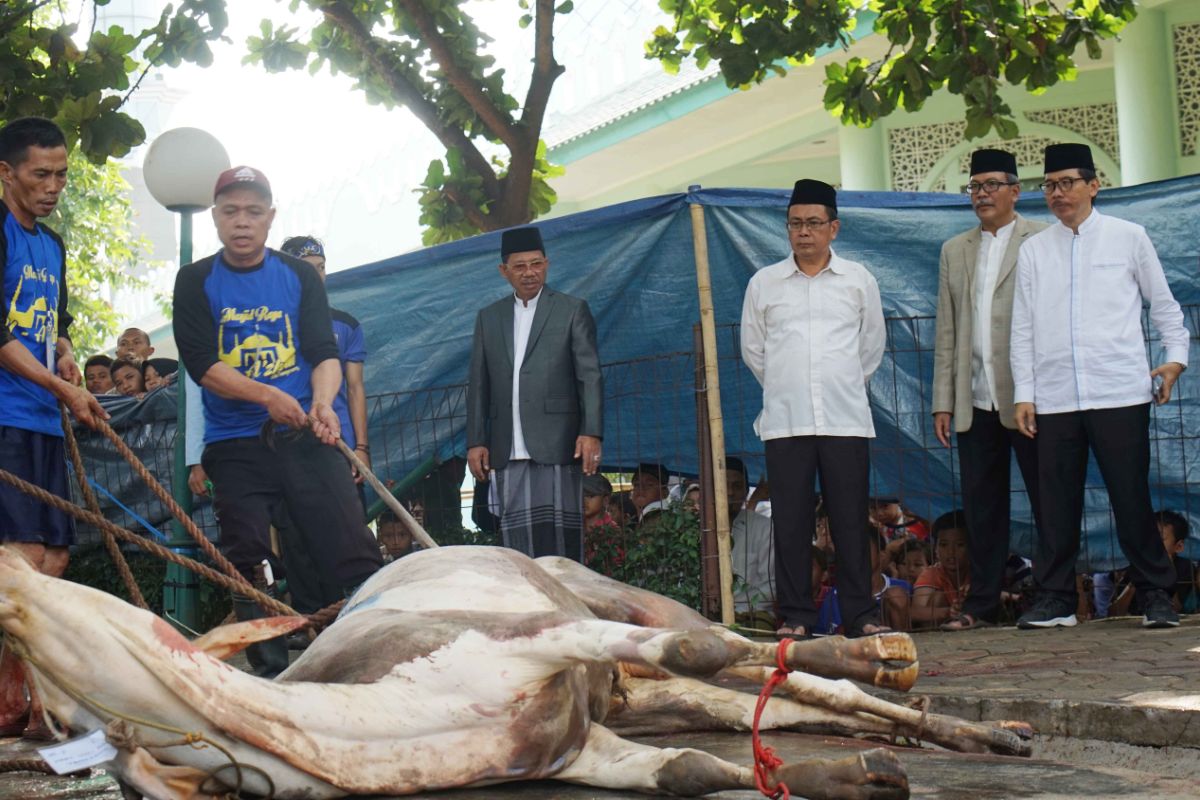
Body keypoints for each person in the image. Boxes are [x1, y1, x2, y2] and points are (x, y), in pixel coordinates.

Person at [172, 165, 383, 677]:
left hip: (305, 434)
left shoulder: (299, 275)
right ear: (216, 219)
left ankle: (369, 656)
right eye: (230, 212)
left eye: (252, 212)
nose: (241, 222)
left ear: (270, 217)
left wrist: (322, 402)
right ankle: (269, 673)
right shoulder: (196, 280)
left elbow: (324, 354)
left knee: (350, 544)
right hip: (235, 442)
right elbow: (202, 365)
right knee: (248, 555)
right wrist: (267, 395)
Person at [1011, 143, 1189, 630]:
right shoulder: (1033, 250)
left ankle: (1156, 594)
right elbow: (1022, 327)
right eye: (1049, 185)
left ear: (1093, 185)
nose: (1057, 193)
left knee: (1130, 495)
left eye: (1068, 182)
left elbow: (1165, 305)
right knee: (1055, 502)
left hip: (1120, 391)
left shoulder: (1128, 237)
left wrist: (1175, 359)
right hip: (1054, 397)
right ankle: (1056, 600)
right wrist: (1024, 393)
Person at [741, 178, 887, 639]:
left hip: (845, 419)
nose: (804, 232)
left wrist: (836, 383)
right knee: (790, 521)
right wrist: (791, 387)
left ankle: (860, 616)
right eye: (795, 224)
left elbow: (871, 349)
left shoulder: (858, 280)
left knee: (848, 521)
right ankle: (798, 616)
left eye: (814, 223)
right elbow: (754, 350)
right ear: (787, 229)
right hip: (786, 421)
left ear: (834, 228)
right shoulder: (764, 283)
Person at [0, 116, 107, 738]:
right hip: (8, 416)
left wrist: (64, 353)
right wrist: (58, 384)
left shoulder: (53, 243)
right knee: (21, 561)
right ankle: (37, 700)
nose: (54, 185)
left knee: (56, 560)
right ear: (7, 173)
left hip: (42, 416)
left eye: (62, 173)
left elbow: (50, 321)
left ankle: (16, 699)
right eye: (41, 174)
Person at [932, 148, 1049, 632]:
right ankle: (981, 604)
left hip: (1030, 397)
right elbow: (947, 331)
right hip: (974, 397)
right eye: (974, 187)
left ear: (1015, 190)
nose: (981, 194)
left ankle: (1055, 596)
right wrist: (943, 400)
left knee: (1049, 499)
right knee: (983, 507)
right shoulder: (955, 249)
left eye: (991, 185)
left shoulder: (1042, 240)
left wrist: (1043, 390)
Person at [466, 225, 603, 561]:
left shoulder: (571, 309)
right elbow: (478, 384)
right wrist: (476, 440)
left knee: (562, 544)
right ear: (504, 271)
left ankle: (567, 609)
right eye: (520, 266)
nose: (530, 273)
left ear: (547, 264)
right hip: (507, 445)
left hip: (558, 441)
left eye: (536, 264)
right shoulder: (489, 318)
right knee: (518, 544)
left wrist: (591, 432)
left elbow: (590, 376)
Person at [279, 236, 370, 483]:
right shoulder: (268, 324)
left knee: (349, 520)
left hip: (337, 442)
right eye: (308, 268)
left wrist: (361, 447)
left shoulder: (346, 325)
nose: (317, 275)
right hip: (283, 444)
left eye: (321, 267)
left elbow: (355, 388)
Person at [910, 511, 972, 629]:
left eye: (959, 545)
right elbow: (914, 612)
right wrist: (949, 612)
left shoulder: (978, 571)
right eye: (944, 545)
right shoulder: (932, 573)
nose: (951, 553)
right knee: (937, 598)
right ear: (936, 548)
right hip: (941, 634)